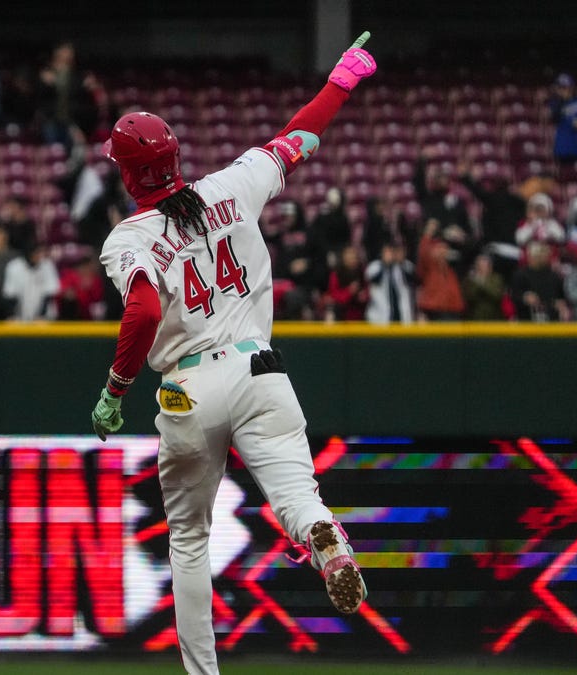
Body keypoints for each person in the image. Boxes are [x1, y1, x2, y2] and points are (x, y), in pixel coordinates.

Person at [89, 33, 376, 675]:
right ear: (175, 157)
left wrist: (114, 390)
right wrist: (341, 82)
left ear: (127, 173)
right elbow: (299, 138)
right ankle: (323, 539)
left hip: (188, 389)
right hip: (261, 371)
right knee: (298, 497)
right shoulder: (233, 185)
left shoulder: (128, 238)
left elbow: (144, 311)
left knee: (190, 541)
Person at [415, 221, 465, 321]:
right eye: (438, 248)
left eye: (444, 248)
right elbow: (423, 253)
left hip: (453, 309)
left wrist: (461, 238)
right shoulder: (429, 267)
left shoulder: (452, 266)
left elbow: (469, 251)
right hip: (434, 309)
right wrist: (427, 234)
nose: (442, 251)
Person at [510, 241, 569, 322]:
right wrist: (524, 297)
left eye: (544, 254)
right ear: (530, 256)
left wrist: (562, 306)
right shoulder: (520, 275)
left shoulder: (554, 276)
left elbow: (561, 298)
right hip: (527, 320)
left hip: (551, 321)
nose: (542, 257)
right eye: (539, 254)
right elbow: (513, 295)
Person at [2, 244, 60, 321]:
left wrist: (41, 315)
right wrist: (11, 315)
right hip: (19, 316)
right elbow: (11, 295)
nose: (39, 256)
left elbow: (49, 293)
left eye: (41, 253)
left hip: (45, 317)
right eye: (36, 253)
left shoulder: (48, 265)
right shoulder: (14, 266)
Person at [365, 239, 416, 325]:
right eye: (387, 252)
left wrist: (401, 263)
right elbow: (374, 279)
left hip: (402, 317)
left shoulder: (405, 266)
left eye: (392, 252)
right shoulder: (374, 266)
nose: (390, 254)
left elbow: (412, 280)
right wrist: (385, 264)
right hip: (379, 317)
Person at [549, 73, 577, 166]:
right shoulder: (555, 103)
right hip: (562, 148)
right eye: (560, 87)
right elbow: (554, 118)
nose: (562, 90)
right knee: (565, 173)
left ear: (571, 88)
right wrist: (562, 101)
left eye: (565, 87)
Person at [324, 245, 368, 321]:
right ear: (344, 258)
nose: (352, 259)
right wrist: (349, 291)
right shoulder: (336, 273)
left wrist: (365, 295)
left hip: (361, 312)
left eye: (354, 256)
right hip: (342, 313)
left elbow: (370, 289)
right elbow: (334, 295)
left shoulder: (363, 271)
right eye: (349, 257)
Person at [461, 253, 506, 321]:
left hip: (493, 317)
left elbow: (497, 295)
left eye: (485, 265)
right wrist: (476, 280)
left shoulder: (496, 278)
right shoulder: (470, 279)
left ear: (490, 267)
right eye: (479, 265)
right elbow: (469, 296)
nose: (481, 268)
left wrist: (481, 283)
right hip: (474, 317)